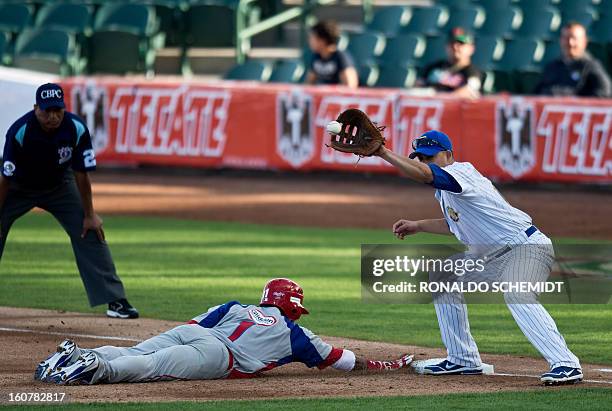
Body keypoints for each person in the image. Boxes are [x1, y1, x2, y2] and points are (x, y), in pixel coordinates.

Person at [374, 130, 581, 386]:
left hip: (526, 248)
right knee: (443, 274)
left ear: (448, 155)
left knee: (517, 293)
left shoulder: (461, 173)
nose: (424, 162)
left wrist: (383, 152)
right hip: (492, 257)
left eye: (429, 157)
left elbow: (425, 175)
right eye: (419, 158)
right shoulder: (447, 190)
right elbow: (456, 224)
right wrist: (418, 225)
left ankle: (566, 364)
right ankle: (462, 359)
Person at [35, 278, 413, 384]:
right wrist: (386, 366)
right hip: (215, 356)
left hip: (194, 335)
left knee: (138, 351)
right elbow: (343, 361)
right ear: (292, 306)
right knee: (150, 368)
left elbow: (192, 325)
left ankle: (77, 357)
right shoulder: (298, 335)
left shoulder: (235, 306)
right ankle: (92, 369)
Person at [0, 83, 138, 319]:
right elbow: (5, 178)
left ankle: (115, 300)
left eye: (58, 111)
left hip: (59, 186)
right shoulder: (19, 131)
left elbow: (81, 174)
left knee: (91, 230)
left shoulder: (75, 128)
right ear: (35, 109)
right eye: (46, 111)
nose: (53, 117)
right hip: (18, 187)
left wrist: (89, 214)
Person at [535, 22, 611, 97]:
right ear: (560, 40)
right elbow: (536, 94)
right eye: (566, 38)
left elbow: (604, 92)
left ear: (584, 41)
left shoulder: (591, 66)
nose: (570, 43)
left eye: (574, 38)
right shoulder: (552, 67)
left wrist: (576, 101)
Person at [417, 27, 482, 99]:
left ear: (471, 48)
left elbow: (469, 91)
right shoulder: (432, 67)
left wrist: (442, 97)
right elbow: (417, 87)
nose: (455, 47)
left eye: (461, 44)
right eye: (452, 43)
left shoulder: (473, 72)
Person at [305, 20, 359, 88]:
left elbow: (351, 86)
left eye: (312, 38)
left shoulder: (340, 57)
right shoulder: (316, 56)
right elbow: (309, 84)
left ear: (322, 40)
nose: (309, 41)